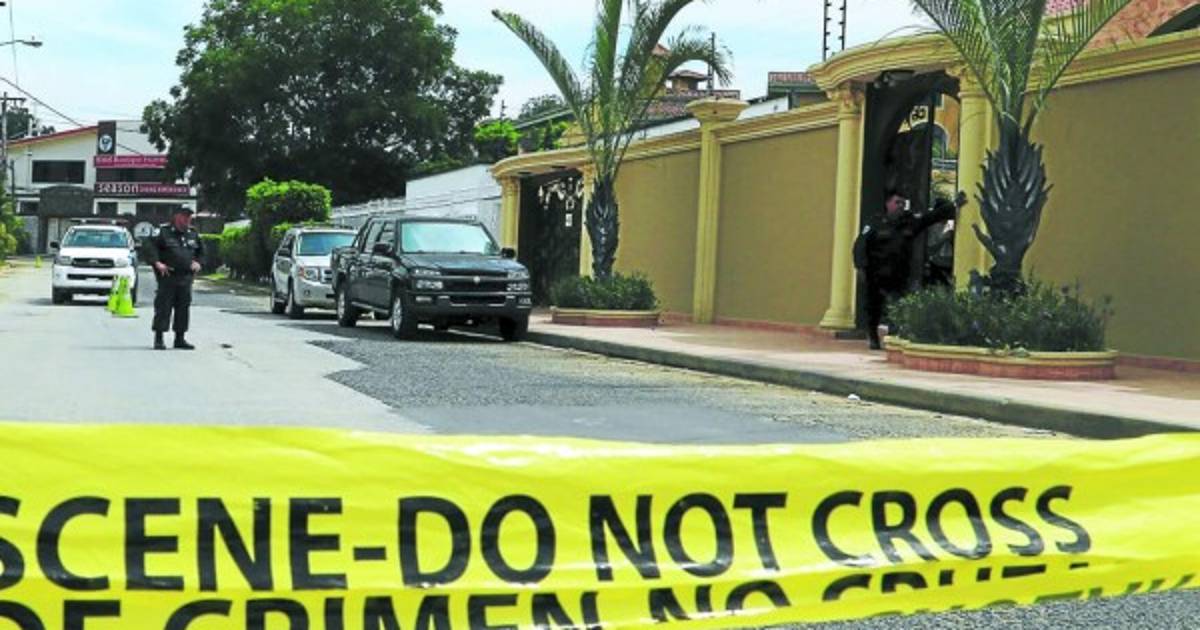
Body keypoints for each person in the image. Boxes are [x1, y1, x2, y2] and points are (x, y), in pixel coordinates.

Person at [854, 190, 962, 350]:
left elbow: (930, 217)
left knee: (898, 306)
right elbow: (860, 245)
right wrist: (860, 266)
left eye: (902, 203)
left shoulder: (909, 222)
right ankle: (873, 337)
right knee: (873, 307)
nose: (900, 206)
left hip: (898, 274)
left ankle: (894, 337)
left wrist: (954, 205)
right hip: (875, 273)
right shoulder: (875, 223)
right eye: (897, 202)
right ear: (888, 204)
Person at [145, 207, 204, 350]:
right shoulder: (163, 232)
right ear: (177, 217)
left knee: (183, 307)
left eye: (189, 217)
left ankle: (180, 338)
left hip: (186, 276)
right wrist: (157, 262)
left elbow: (201, 252)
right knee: (163, 307)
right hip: (168, 276)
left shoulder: (193, 233)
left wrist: (198, 262)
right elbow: (149, 247)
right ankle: (159, 339)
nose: (187, 219)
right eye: (184, 216)